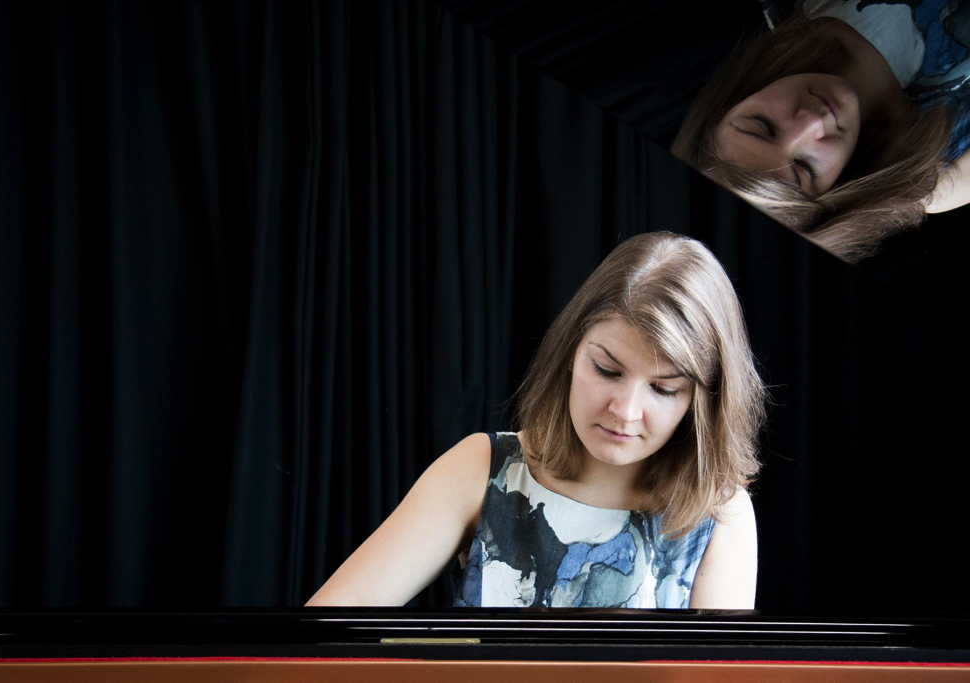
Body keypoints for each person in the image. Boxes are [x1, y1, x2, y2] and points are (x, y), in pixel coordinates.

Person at [306, 232, 766, 609]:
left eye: (664, 389)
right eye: (607, 369)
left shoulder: (719, 512)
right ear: (570, 353)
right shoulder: (482, 466)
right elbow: (323, 636)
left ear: (703, 401)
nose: (625, 411)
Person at [672, 2, 970, 262]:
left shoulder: (790, 10)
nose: (811, 123)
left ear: (730, 102)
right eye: (805, 167)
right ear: (834, 196)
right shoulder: (938, 179)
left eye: (762, 126)